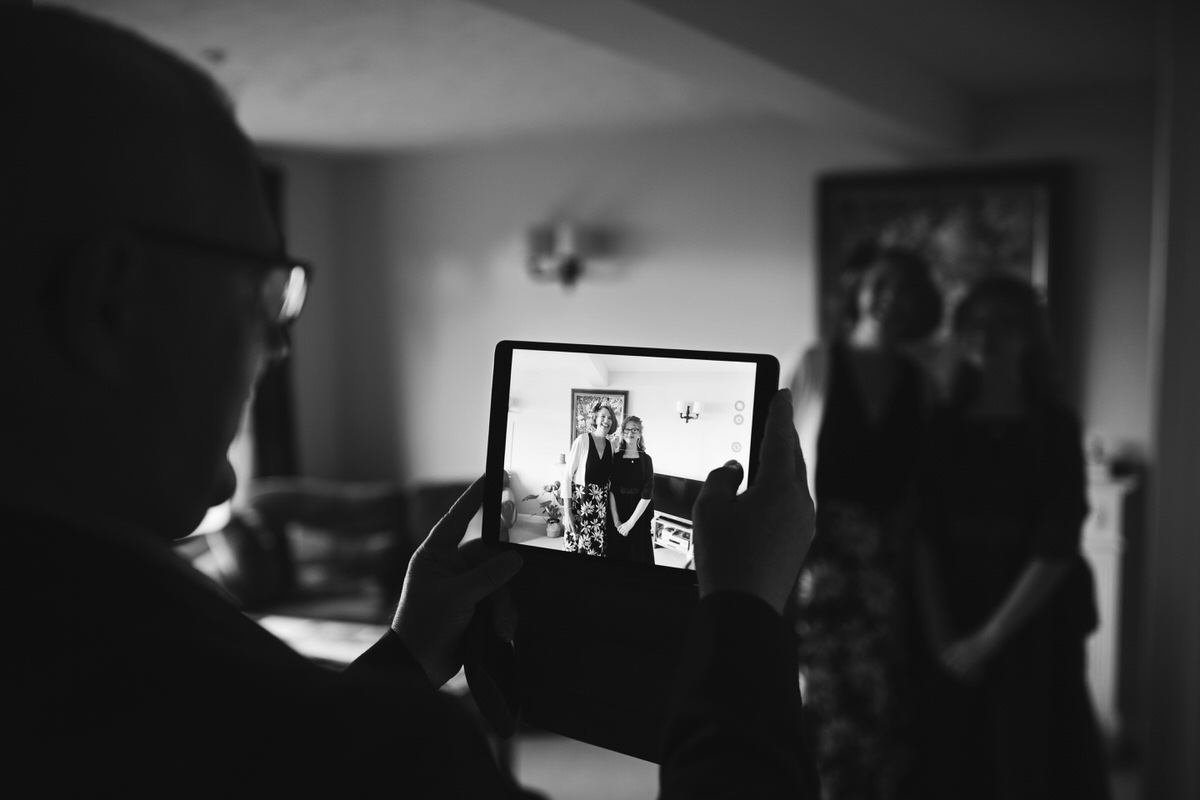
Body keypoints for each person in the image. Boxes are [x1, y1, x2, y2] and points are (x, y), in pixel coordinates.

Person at [7, 7, 820, 797]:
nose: (281, 345)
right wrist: (744, 614)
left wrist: (406, 654)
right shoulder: (341, 743)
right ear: (111, 300)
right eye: (265, 288)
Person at [907, 274, 1110, 800]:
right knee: (951, 762)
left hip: (1032, 620)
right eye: (974, 323)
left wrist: (988, 640)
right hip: (951, 608)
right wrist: (941, 637)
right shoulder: (939, 425)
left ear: (1029, 336)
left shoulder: (1055, 426)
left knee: (1030, 762)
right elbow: (923, 534)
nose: (986, 335)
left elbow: (1057, 540)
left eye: (1003, 324)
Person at [785, 243, 943, 799]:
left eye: (905, 289)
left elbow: (922, 491)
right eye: (881, 283)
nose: (892, 298)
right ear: (856, 289)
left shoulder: (921, 384)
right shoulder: (817, 363)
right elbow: (778, 460)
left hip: (884, 573)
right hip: (819, 568)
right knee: (820, 709)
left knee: (878, 708)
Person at [562, 402, 616, 557]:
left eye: (610, 417)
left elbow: (610, 480)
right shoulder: (583, 440)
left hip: (600, 509)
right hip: (581, 505)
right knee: (576, 548)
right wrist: (567, 512)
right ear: (595, 419)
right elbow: (567, 475)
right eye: (603, 416)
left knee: (596, 551)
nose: (606, 420)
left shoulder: (612, 446)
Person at [607, 415, 656, 564]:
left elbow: (647, 493)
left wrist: (630, 522)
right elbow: (612, 490)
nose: (630, 433)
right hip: (618, 511)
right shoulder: (615, 458)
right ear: (622, 433)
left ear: (640, 433)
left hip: (638, 515)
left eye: (635, 429)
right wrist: (616, 521)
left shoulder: (646, 460)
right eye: (627, 429)